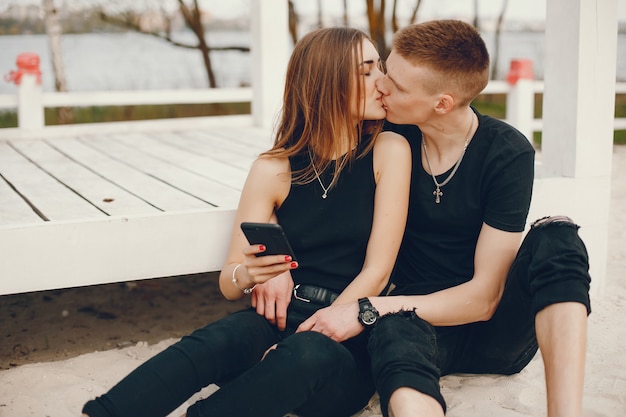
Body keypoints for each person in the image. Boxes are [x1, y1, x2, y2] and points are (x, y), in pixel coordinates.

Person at [80, 27, 411, 417]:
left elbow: (378, 269)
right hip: (279, 316)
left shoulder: (389, 151)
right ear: (329, 83)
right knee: (222, 335)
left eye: (381, 68)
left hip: (345, 333)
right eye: (368, 71)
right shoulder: (273, 168)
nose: (382, 82)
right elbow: (228, 282)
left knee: (305, 354)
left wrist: (303, 338)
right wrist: (252, 273)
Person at [297, 20, 591, 417]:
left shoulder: (506, 153)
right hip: (414, 324)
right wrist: (275, 261)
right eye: (384, 68)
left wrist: (366, 308)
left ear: (442, 103)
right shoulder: (387, 134)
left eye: (396, 85)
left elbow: (485, 298)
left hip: (494, 334)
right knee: (395, 323)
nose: (380, 84)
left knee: (558, 235)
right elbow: (306, 165)